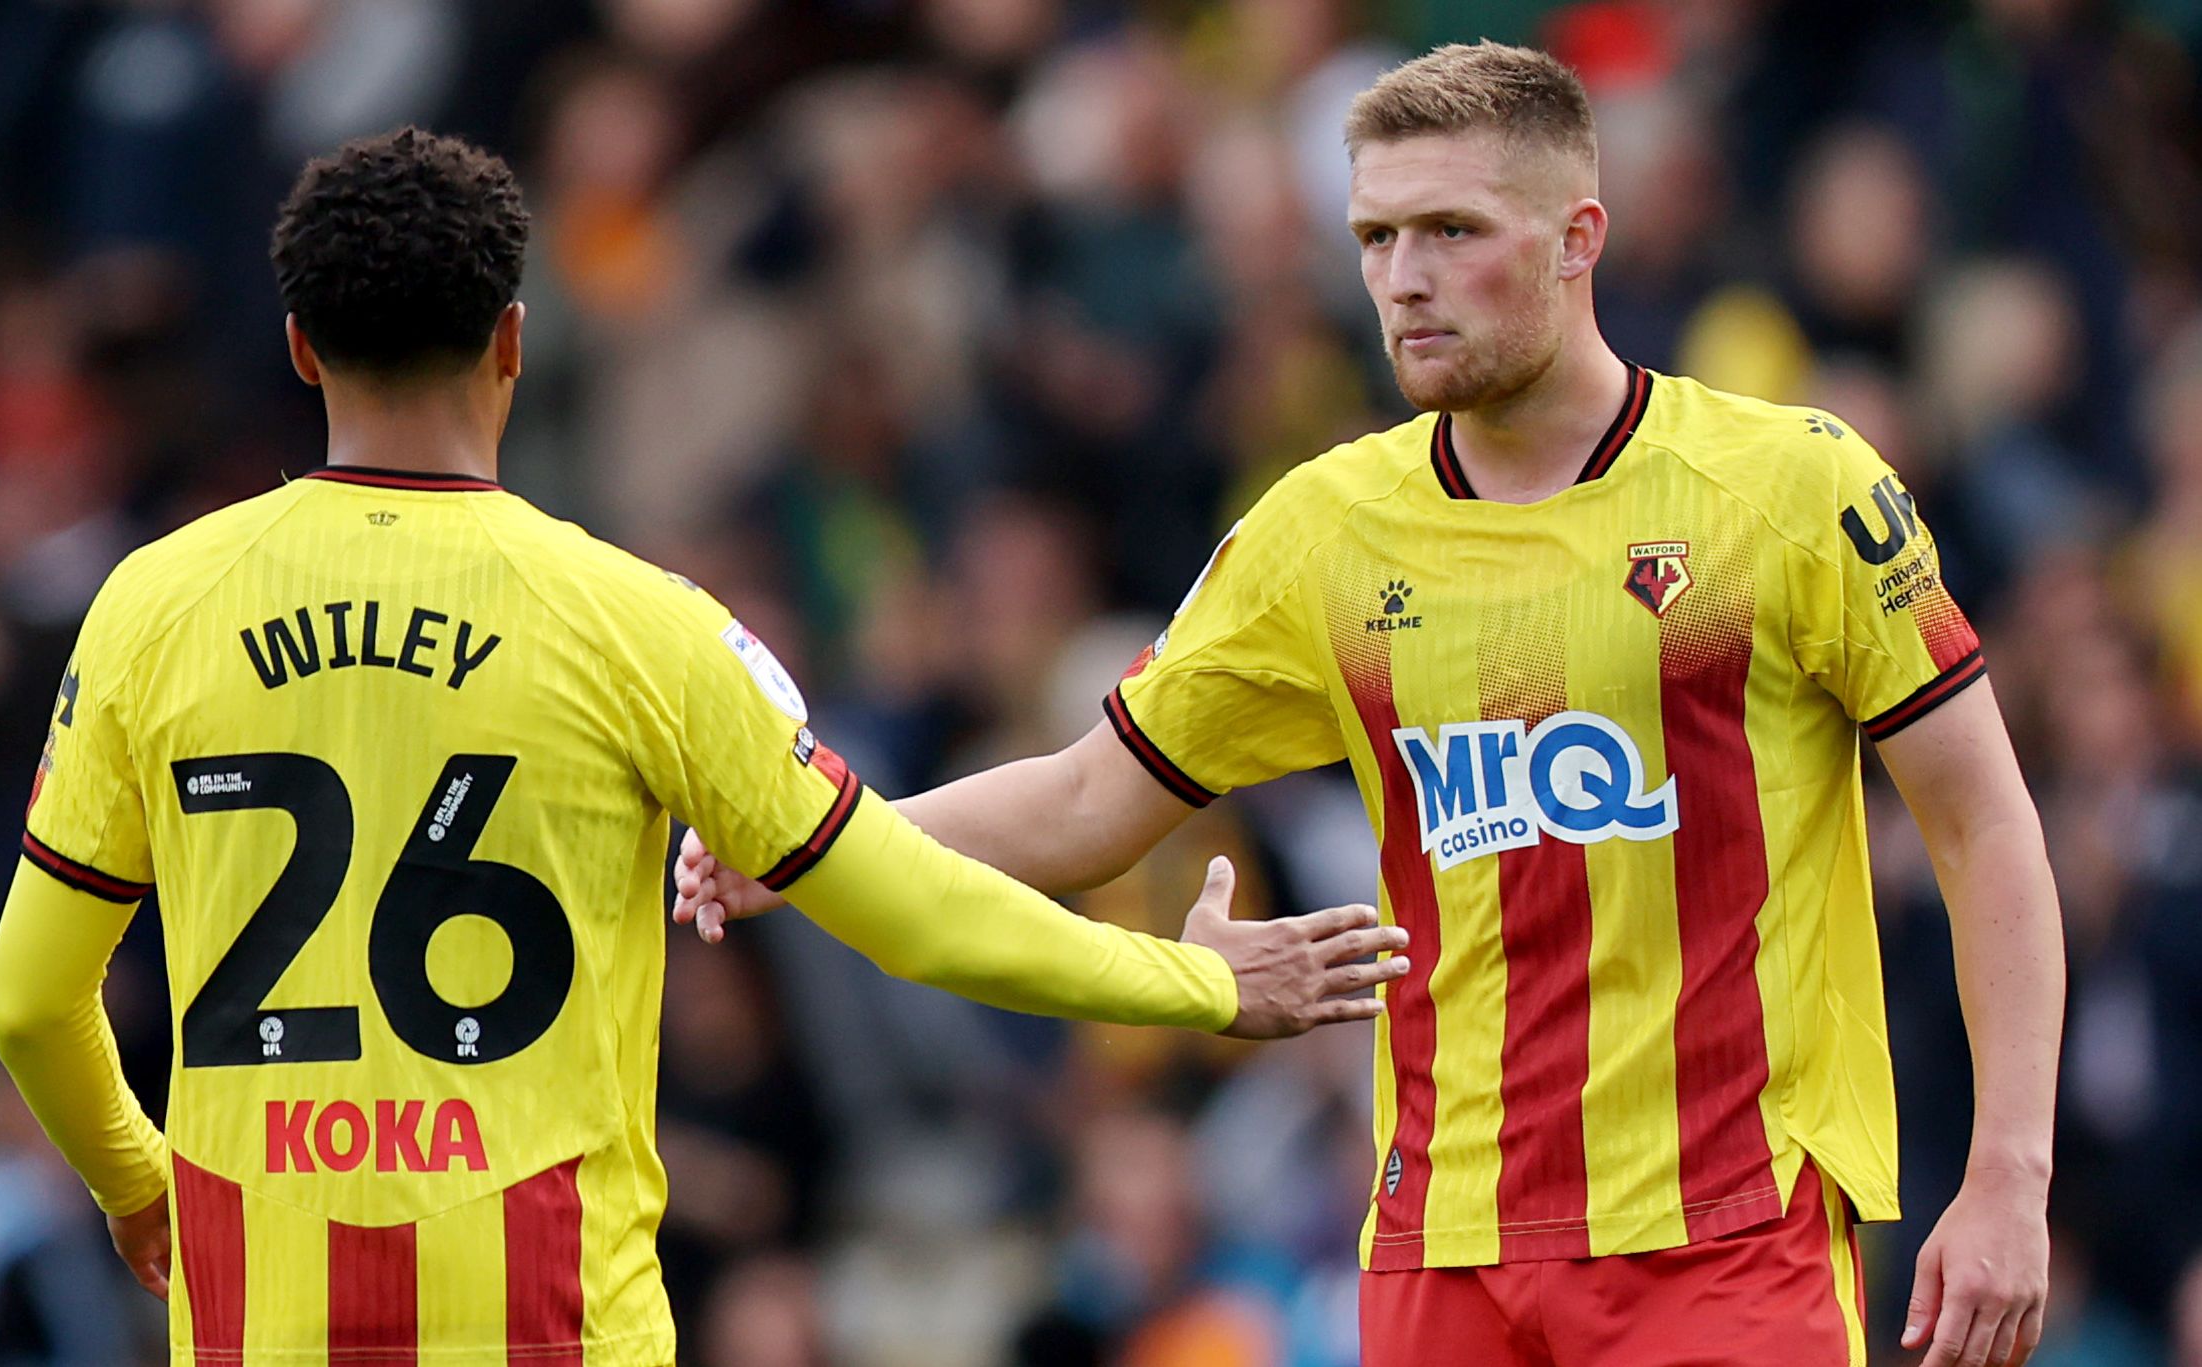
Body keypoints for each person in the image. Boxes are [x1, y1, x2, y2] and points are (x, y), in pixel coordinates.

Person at [675, 42, 2064, 1367]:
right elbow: (1087, 800)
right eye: (1374, 239)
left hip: (1718, 1240)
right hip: (1435, 1250)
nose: (1403, 279)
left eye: (1452, 231)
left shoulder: (1790, 489)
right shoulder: (1323, 534)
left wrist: (2005, 1174)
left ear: (1579, 237)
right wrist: (809, 841)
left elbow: (1983, 826)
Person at [0, 127, 1409, 1366]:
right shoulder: (638, 625)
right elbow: (914, 916)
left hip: (259, 1323)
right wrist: (1197, 982)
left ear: (300, 346)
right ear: (514, 341)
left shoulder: (151, 611)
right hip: (554, 1327)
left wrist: (138, 1185)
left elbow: (32, 1007)